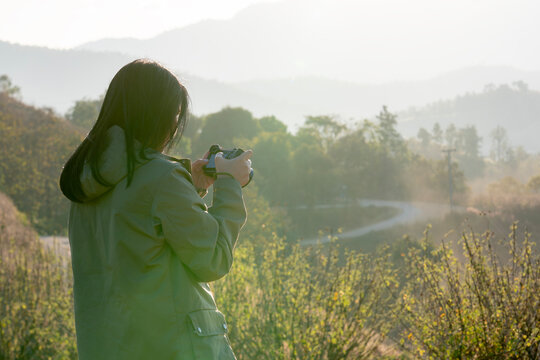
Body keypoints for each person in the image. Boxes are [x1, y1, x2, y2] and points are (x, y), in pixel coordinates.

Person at [59, 59, 252, 360]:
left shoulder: (84, 179)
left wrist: (193, 182)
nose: (175, 124)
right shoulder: (162, 178)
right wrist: (230, 183)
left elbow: (141, 229)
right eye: (175, 114)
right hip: (172, 348)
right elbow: (212, 259)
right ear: (157, 114)